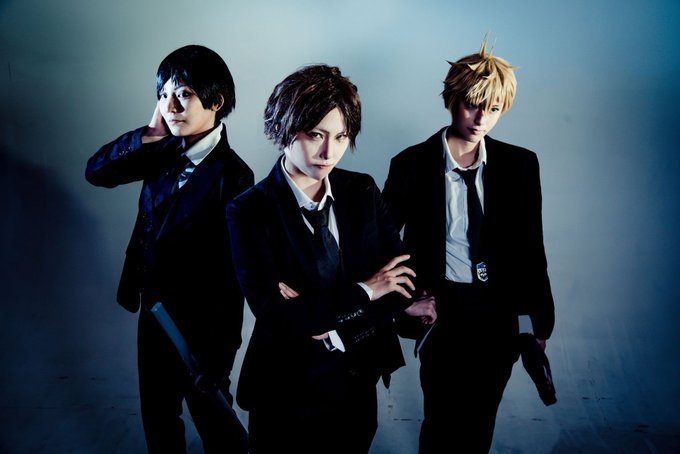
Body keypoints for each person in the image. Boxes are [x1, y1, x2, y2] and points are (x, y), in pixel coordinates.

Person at [226, 64, 436, 454]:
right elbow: (278, 315)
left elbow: (400, 285)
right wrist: (367, 289)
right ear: (283, 128)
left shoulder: (362, 191)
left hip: (357, 382)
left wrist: (327, 315)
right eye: (315, 135)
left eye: (340, 136)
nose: (329, 152)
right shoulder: (248, 210)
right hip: (285, 390)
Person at [382, 36, 555, 453]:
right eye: (473, 104)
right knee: (441, 422)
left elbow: (531, 247)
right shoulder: (411, 164)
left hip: (497, 314)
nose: (481, 118)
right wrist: (403, 302)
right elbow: (383, 243)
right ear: (452, 99)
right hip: (442, 311)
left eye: (493, 109)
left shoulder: (519, 165)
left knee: (479, 424)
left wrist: (540, 324)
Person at [85, 45, 253, 453]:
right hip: (152, 310)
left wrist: (220, 351)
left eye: (183, 94)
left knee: (214, 418)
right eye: (163, 95)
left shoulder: (234, 175)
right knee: (158, 415)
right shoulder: (158, 152)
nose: (170, 106)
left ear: (216, 101)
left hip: (203, 324)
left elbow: (233, 274)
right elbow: (97, 172)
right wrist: (149, 133)